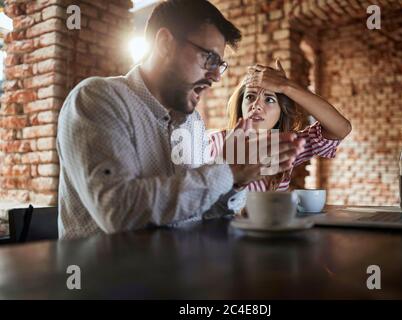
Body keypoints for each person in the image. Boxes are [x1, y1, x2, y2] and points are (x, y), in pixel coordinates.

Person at [56, 0, 303, 239]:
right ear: (164, 43)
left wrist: (237, 181)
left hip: (179, 275)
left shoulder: (193, 124)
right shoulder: (98, 98)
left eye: (221, 65)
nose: (217, 76)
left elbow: (199, 215)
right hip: (107, 278)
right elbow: (118, 210)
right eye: (210, 59)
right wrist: (227, 171)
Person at [209, 60, 352, 208]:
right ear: (240, 105)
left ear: (281, 113)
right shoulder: (214, 143)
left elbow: (341, 129)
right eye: (250, 97)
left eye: (269, 99)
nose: (256, 105)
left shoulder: (285, 146)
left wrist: (286, 86)